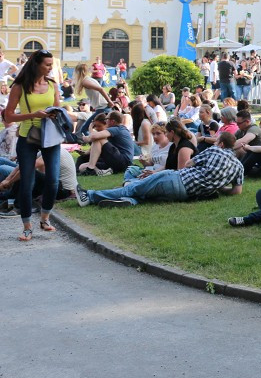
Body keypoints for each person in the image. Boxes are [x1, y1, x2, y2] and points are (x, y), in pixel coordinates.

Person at [76, 132, 244, 208]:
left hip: (177, 179)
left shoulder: (214, 150)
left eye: (216, 142)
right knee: (146, 194)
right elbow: (237, 191)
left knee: (134, 187)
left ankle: (89, 196)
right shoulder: (239, 167)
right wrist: (218, 185)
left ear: (221, 144)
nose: (215, 144)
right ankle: (130, 201)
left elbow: (188, 164)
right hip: (187, 195)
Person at [2, 49, 63, 241]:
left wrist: (56, 113)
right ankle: (27, 226)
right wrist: (33, 115)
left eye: (51, 64)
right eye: (47, 64)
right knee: (27, 182)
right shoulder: (20, 85)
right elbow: (8, 115)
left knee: (53, 180)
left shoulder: (52, 84)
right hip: (28, 137)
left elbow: (58, 108)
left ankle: (45, 218)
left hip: (50, 136)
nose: (50, 67)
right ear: (36, 64)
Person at [80, 111, 136, 176]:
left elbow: (94, 137)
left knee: (98, 139)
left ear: (112, 121)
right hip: (117, 161)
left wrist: (89, 130)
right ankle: (101, 172)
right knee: (82, 167)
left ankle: (90, 169)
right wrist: (85, 153)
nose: (105, 121)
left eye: (107, 119)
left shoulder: (116, 129)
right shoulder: (119, 129)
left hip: (123, 162)